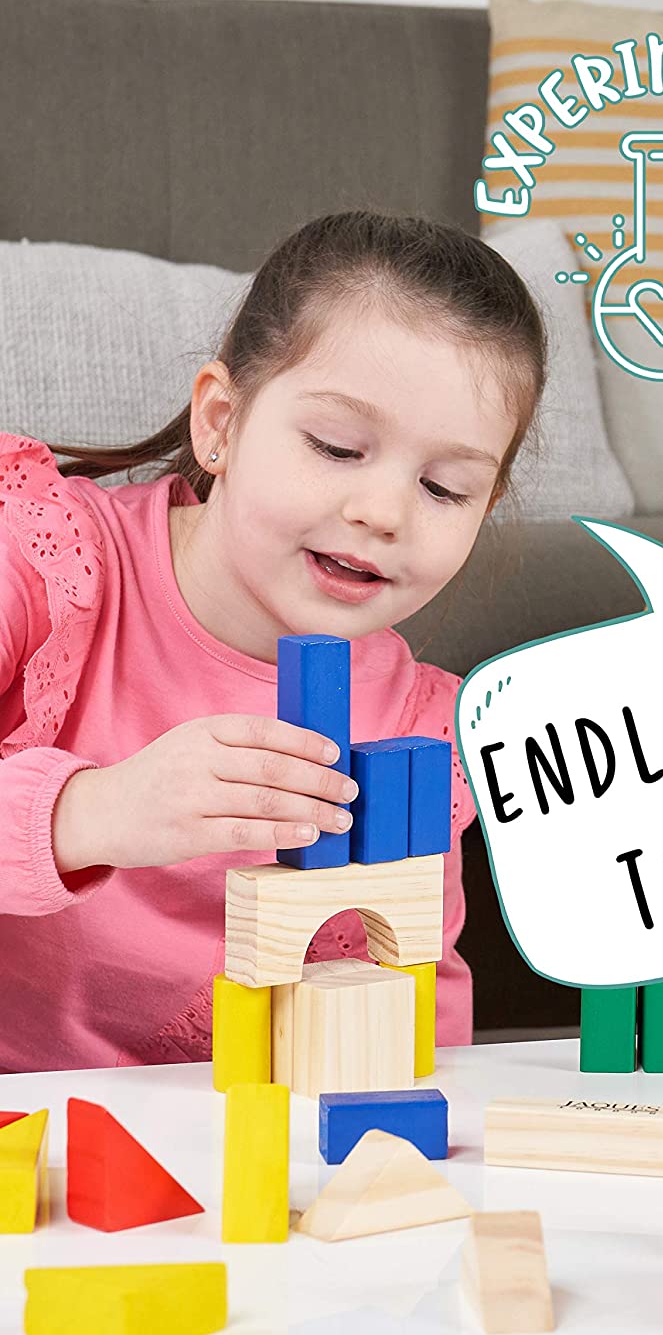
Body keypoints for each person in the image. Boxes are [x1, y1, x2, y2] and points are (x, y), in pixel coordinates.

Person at [0, 210, 545, 1070]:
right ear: (220, 422)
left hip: (243, 1136)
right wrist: (94, 811)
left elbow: (416, 1013)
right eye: (337, 448)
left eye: (444, 489)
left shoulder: (420, 737)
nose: (383, 513)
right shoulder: (41, 562)